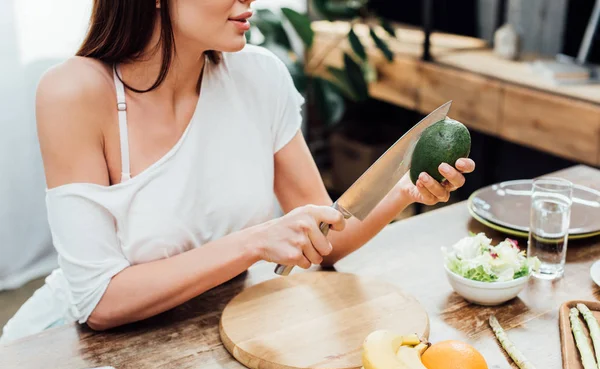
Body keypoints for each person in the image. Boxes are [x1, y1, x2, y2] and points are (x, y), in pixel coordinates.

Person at [0, 0, 475, 343]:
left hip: (211, 334)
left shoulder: (259, 77)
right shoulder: (74, 92)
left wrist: (403, 191)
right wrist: (255, 242)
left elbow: (324, 243)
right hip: (66, 349)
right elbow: (98, 303)